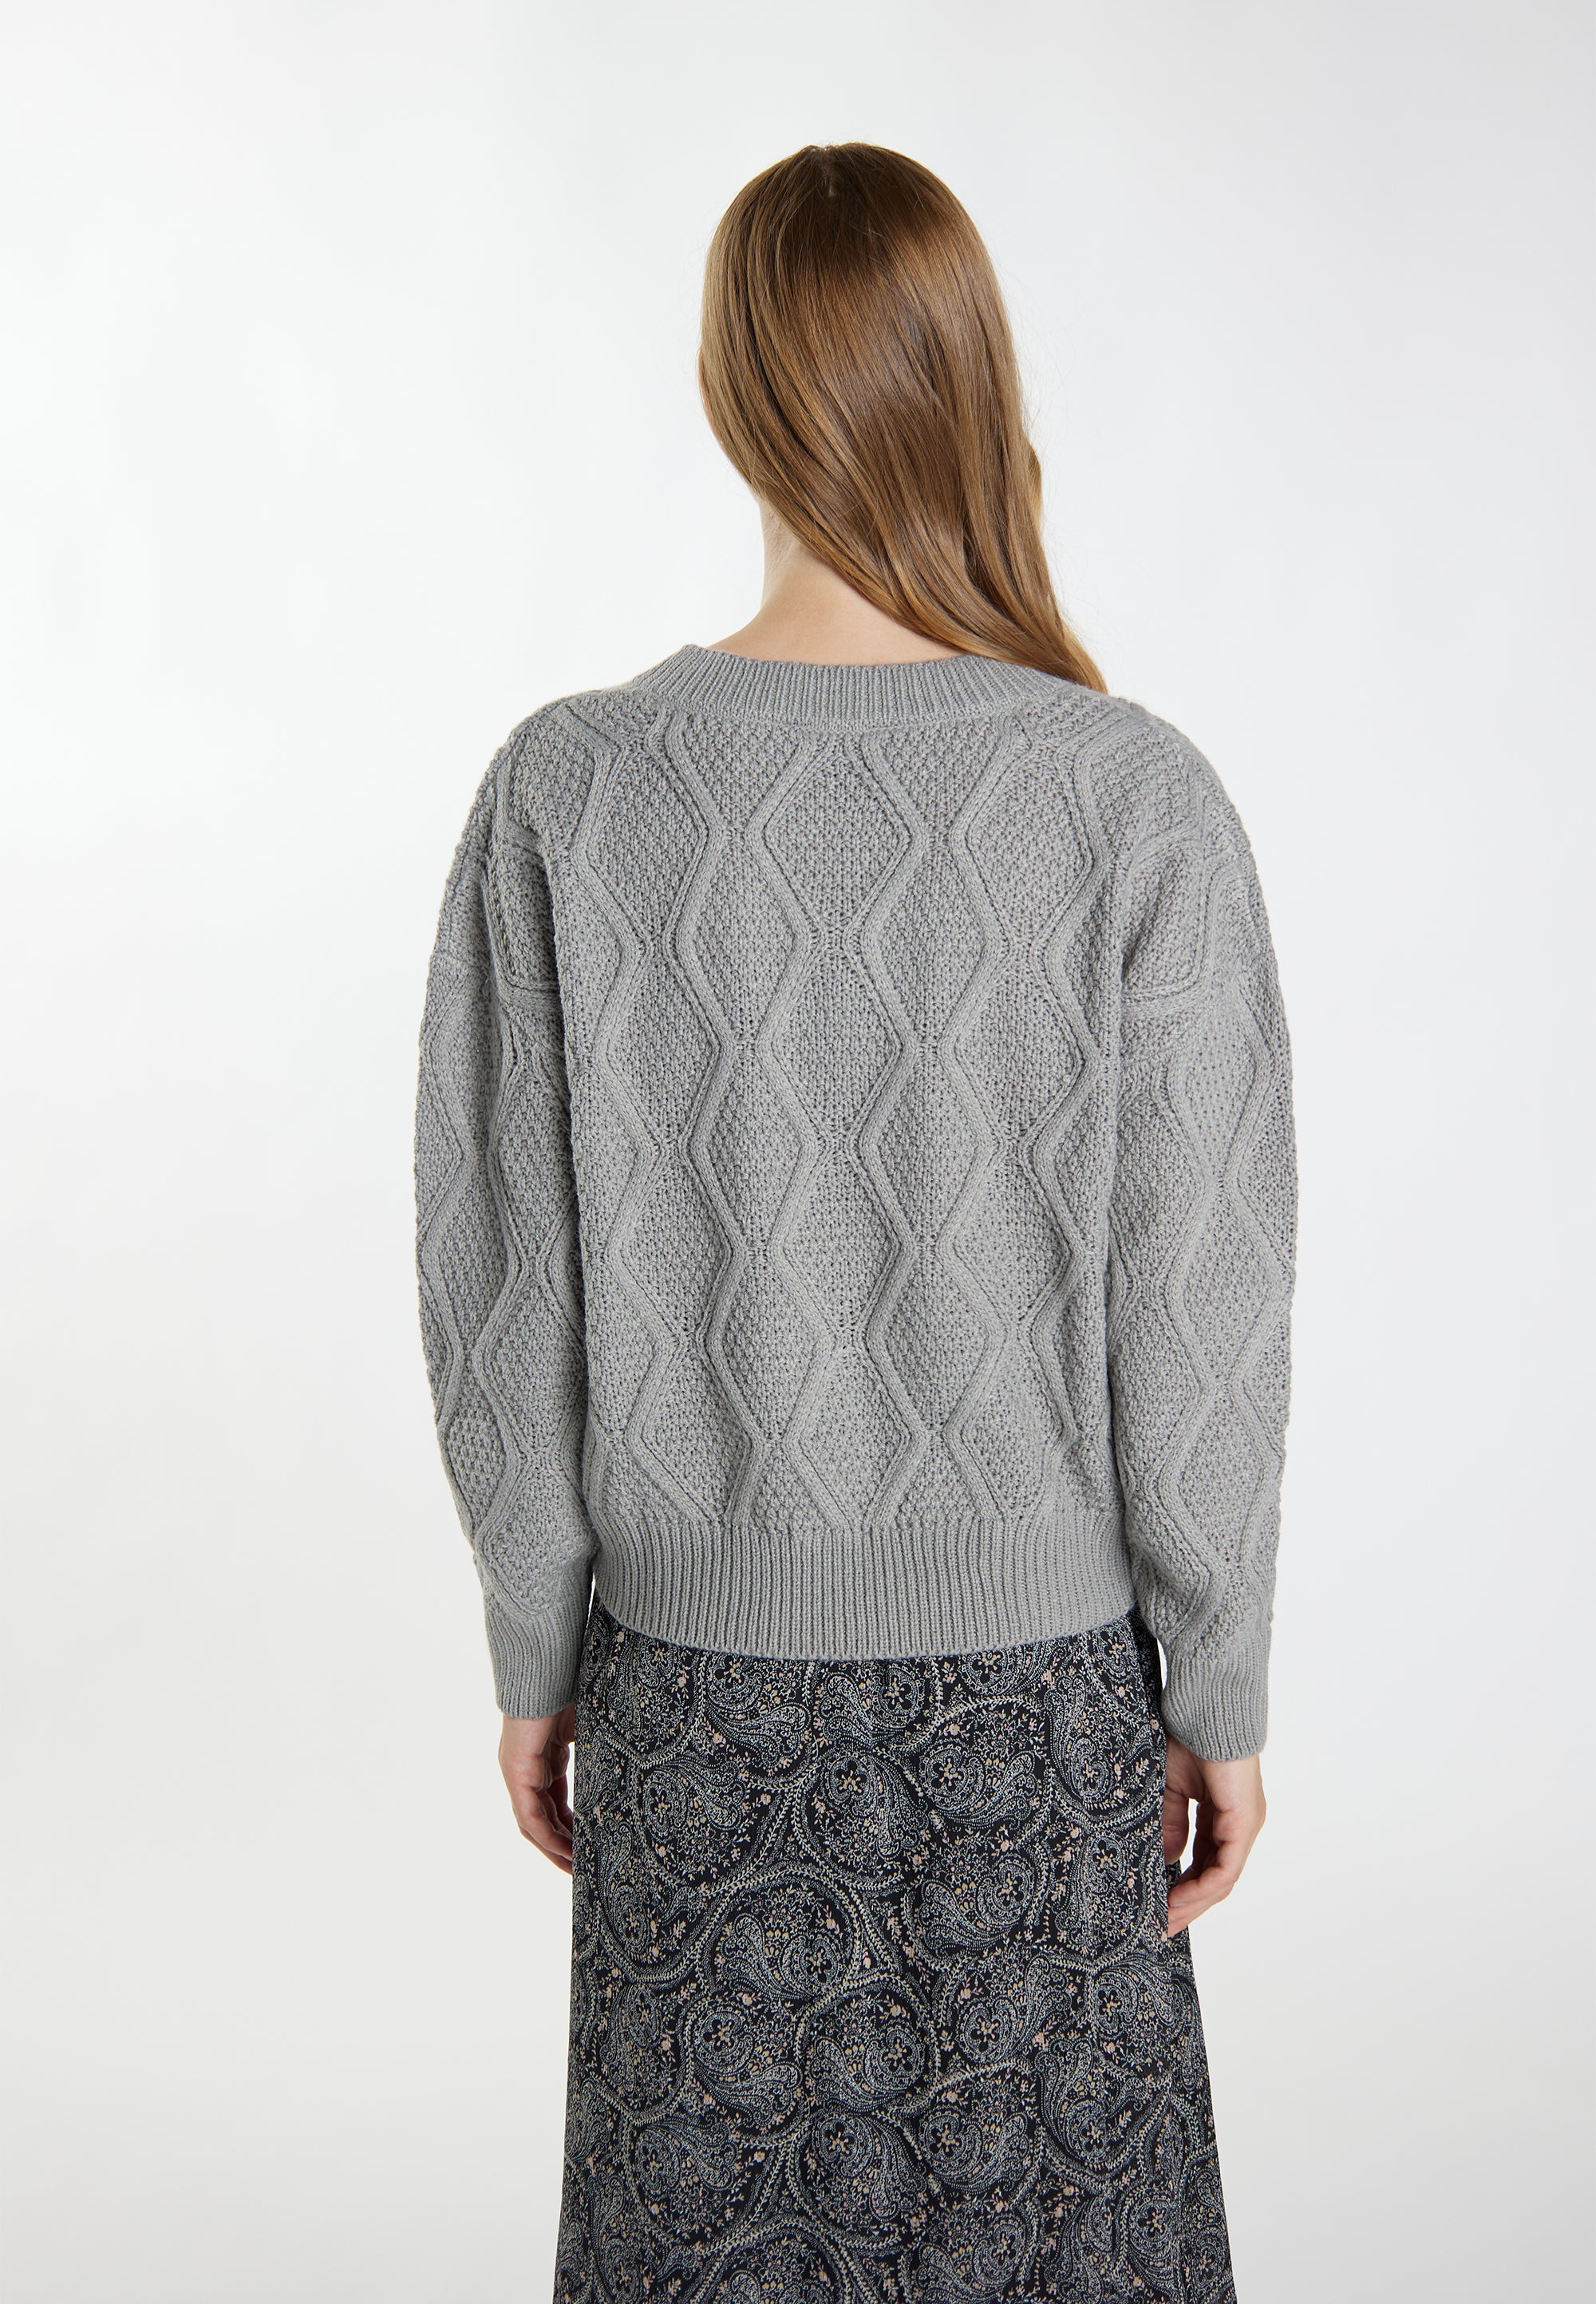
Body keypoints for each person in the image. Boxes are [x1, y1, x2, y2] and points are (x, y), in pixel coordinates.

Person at [414, 141, 1297, 2303]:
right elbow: (1201, 1299)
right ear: (975, 384)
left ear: (733, 391)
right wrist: (1222, 1680)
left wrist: (538, 1644)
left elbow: (500, 1278)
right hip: (1037, 1728)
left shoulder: (569, 792)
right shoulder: (1132, 797)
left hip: (695, 1718)